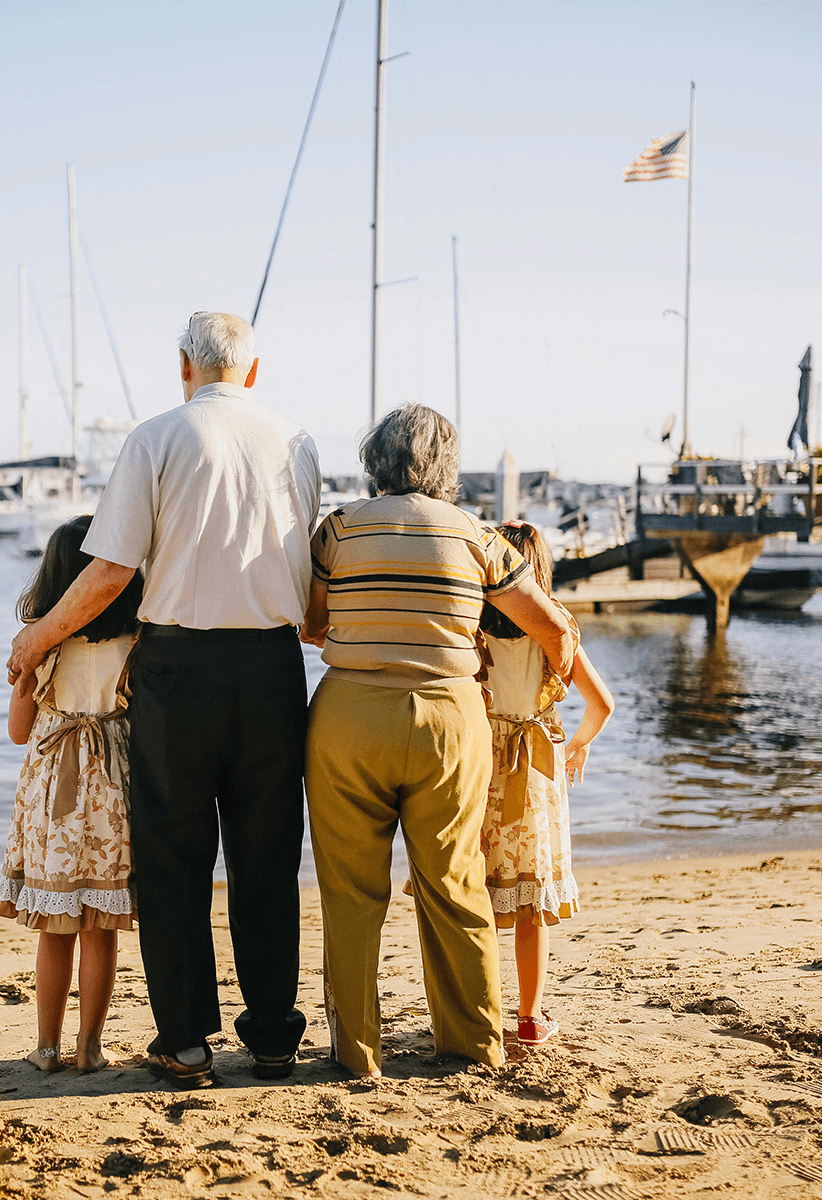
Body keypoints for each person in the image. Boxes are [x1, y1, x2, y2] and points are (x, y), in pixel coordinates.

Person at [6, 312, 321, 1089]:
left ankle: (184, 1042)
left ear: (185, 365)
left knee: (176, 862)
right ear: (252, 369)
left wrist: (39, 636)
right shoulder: (299, 442)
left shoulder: (155, 437)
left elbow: (110, 572)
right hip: (273, 668)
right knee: (267, 859)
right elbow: (308, 581)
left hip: (177, 670)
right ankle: (275, 1038)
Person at [301, 404, 575, 1079]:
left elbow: (310, 625)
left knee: (350, 892)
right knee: (455, 885)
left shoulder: (336, 530)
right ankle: (471, 1043)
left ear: (376, 460)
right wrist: (551, 692)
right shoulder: (479, 537)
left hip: (348, 718)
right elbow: (554, 630)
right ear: (446, 466)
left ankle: (357, 1051)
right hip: (450, 723)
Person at [0, 515, 144, 1074]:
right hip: (111, 790)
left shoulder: (39, 647)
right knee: (100, 927)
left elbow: (18, 732)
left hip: (53, 790)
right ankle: (90, 1048)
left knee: (55, 930)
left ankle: (47, 1047)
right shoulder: (137, 642)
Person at [478, 521, 614, 1046]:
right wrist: (578, 745)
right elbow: (601, 703)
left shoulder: (473, 628)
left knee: (482, 899)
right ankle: (531, 1018)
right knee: (533, 905)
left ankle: (482, 1013)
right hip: (536, 769)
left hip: (485, 765)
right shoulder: (555, 628)